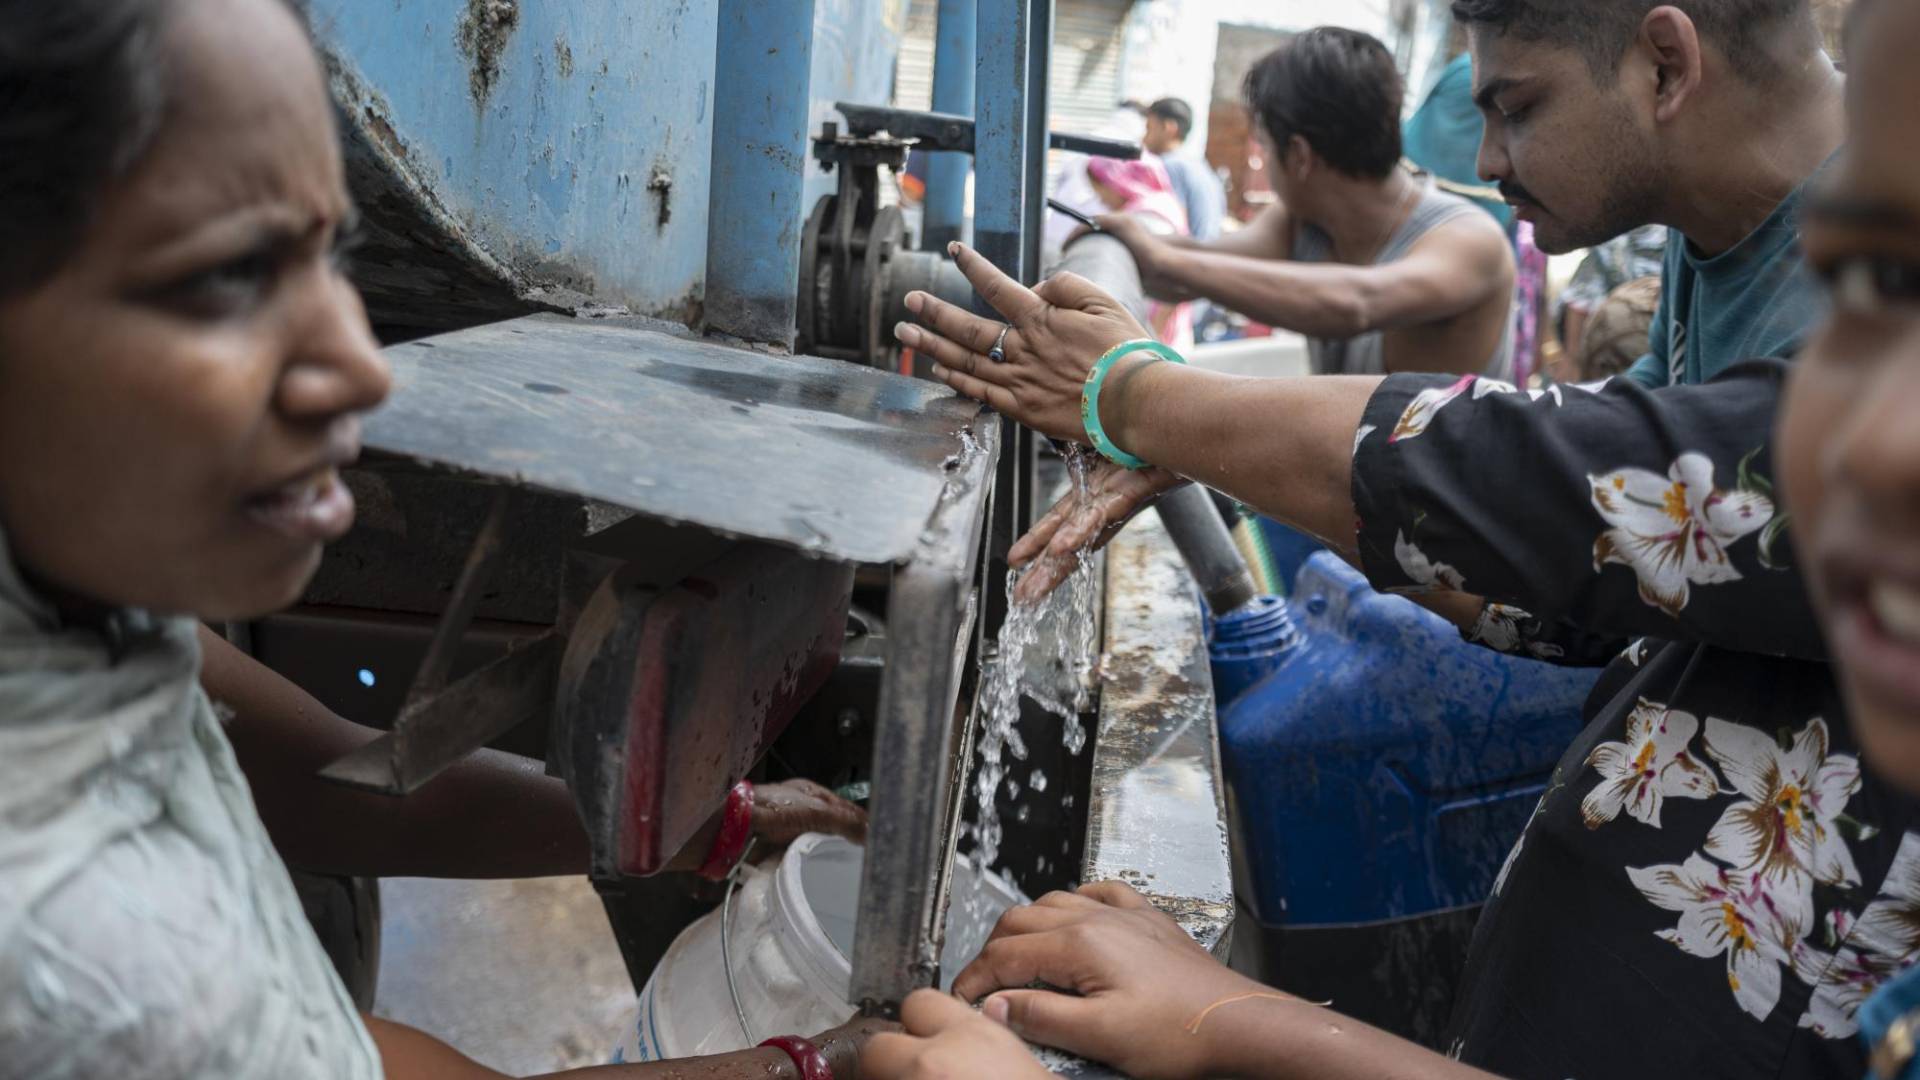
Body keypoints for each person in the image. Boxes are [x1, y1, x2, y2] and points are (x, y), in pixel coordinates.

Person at [877, 0, 1915, 1071]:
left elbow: (1599, 488)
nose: (1485, 156)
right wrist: (1209, 438)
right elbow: (1584, 581)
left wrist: (1145, 398)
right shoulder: (1723, 254)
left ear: (1664, 64)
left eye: (1516, 106)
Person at [0, 1, 889, 1077]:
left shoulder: (64, 628)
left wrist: (718, 826)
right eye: (230, 277)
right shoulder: (72, 952)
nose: (363, 368)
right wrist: (823, 1064)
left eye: (331, 258)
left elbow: (310, 773)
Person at [1096, 28, 1518, 380]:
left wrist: (1164, 259)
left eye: (1264, 144)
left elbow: (1357, 304)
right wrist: (1125, 239)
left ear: (1298, 156)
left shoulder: (1468, 240)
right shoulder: (1301, 220)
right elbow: (1200, 269)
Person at [1140, 97, 1226, 243]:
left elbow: (1172, 224)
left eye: (1149, 128)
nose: (1143, 138)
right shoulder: (1199, 164)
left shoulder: (1170, 165)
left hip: (1190, 254)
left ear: (1169, 128)